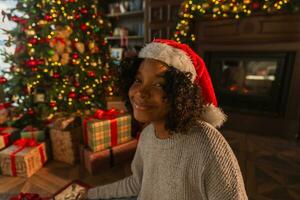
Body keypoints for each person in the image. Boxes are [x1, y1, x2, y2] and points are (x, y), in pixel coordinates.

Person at [86, 39, 248, 200]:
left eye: (159, 84)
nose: (141, 92)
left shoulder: (207, 145)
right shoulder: (148, 135)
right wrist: (90, 194)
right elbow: (137, 183)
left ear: (180, 93)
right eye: (138, 80)